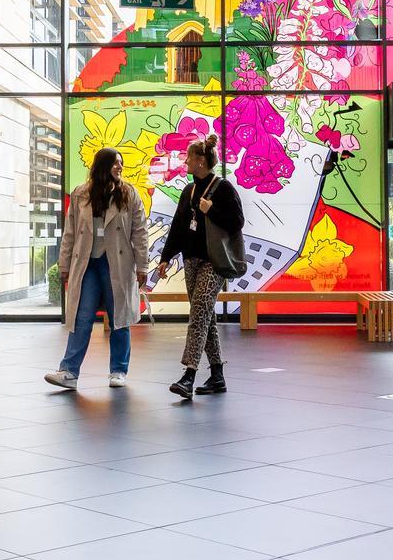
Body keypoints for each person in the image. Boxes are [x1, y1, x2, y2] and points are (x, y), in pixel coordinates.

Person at [45, 147, 149, 390]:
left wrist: (143, 265)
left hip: (118, 263)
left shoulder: (129, 194)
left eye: (121, 164)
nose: (119, 168)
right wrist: (64, 264)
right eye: (115, 164)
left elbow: (140, 232)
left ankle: (118, 370)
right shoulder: (81, 194)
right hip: (88, 263)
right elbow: (69, 232)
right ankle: (68, 371)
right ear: (102, 166)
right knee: (81, 317)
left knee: (119, 318)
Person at [158, 134, 244, 399]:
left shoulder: (223, 188)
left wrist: (211, 210)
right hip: (191, 261)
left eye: (189, 156)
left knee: (198, 315)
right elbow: (178, 226)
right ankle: (217, 375)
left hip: (214, 263)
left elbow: (237, 222)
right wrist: (166, 256)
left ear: (201, 160)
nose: (185, 160)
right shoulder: (189, 191)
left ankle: (189, 375)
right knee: (205, 317)